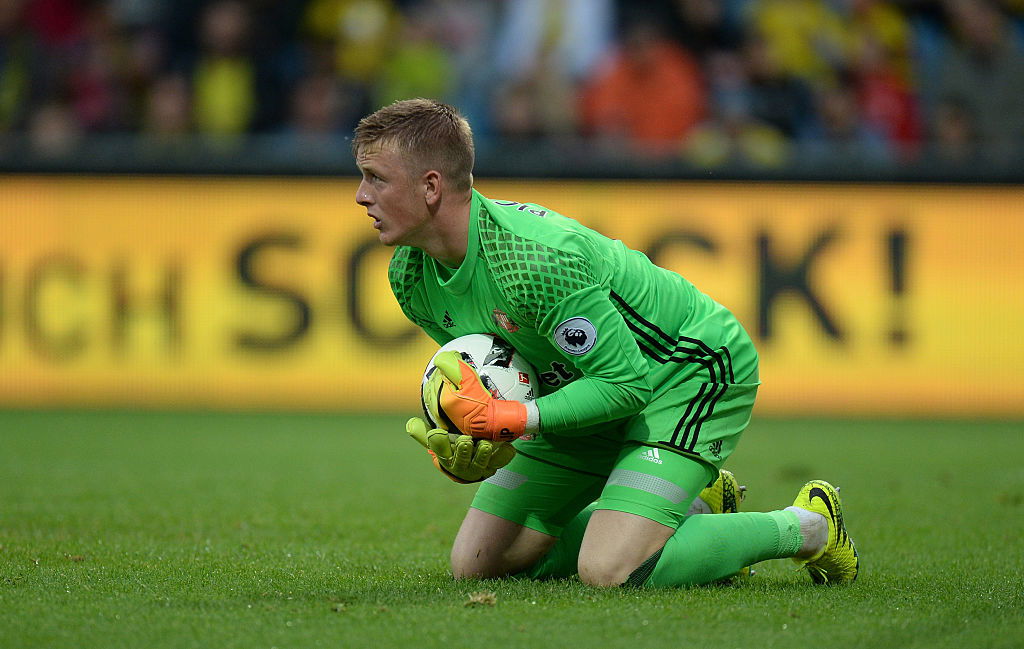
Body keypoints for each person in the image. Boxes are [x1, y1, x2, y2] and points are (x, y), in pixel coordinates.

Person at [352, 98, 859, 588]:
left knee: (609, 570)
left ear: (431, 186)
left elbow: (627, 384)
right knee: (478, 562)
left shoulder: (533, 262)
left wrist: (519, 420)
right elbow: (507, 372)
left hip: (682, 372)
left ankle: (808, 527)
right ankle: (694, 505)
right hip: (583, 386)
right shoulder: (410, 276)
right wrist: (475, 443)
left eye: (375, 177)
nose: (360, 195)